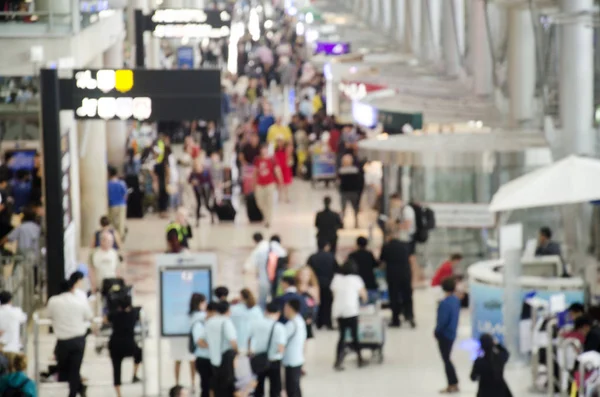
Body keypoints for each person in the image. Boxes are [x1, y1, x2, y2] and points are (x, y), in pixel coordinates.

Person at [47, 272, 93, 397]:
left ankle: (74, 392)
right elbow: (89, 316)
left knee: (65, 368)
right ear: (72, 288)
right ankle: (77, 390)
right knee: (75, 368)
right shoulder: (79, 301)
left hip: (62, 341)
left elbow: (49, 315)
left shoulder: (53, 301)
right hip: (78, 340)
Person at [331, 260, 367, 370]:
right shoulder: (356, 280)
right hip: (351, 310)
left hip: (339, 311)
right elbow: (364, 296)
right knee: (354, 335)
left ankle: (338, 360)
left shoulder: (336, 279)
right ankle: (360, 359)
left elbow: (334, 294)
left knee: (342, 336)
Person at [198, 301, 238, 397]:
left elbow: (199, 341)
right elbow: (232, 341)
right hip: (226, 358)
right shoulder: (226, 322)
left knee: (217, 387)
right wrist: (238, 352)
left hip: (214, 358)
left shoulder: (209, 322)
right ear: (228, 310)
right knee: (228, 387)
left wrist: (211, 346)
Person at [106, 295, 142, 397]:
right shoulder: (134, 313)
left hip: (115, 345)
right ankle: (134, 374)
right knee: (139, 353)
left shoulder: (114, 314)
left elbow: (105, 320)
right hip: (129, 345)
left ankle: (119, 395)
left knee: (116, 369)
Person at [250, 302, 286, 397]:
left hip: (258, 359)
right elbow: (280, 348)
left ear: (265, 311)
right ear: (278, 313)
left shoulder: (255, 324)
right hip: (274, 360)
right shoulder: (279, 327)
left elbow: (250, 340)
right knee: (275, 389)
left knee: (258, 388)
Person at [243, 233, 287, 308]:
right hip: (276, 278)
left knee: (262, 299)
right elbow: (285, 257)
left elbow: (252, 260)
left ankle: (262, 313)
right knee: (275, 297)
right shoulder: (277, 247)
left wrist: (245, 268)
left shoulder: (260, 248)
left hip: (264, 278)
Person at [379, 234, 414, 328]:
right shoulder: (406, 245)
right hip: (406, 273)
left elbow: (382, 261)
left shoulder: (386, 247)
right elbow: (410, 258)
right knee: (407, 295)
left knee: (394, 297)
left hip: (393, 275)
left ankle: (396, 320)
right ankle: (410, 316)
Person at [435, 277, 461, 394]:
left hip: (445, 335)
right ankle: (453, 382)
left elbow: (442, 321)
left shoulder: (444, 303)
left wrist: (437, 331)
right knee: (447, 358)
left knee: (446, 359)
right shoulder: (455, 301)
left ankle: (452, 383)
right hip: (452, 333)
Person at [307, 239, 336, 330]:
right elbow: (336, 269)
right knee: (328, 304)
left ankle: (318, 323)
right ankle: (327, 322)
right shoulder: (331, 257)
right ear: (326, 246)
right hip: (328, 284)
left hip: (316, 284)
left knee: (317, 303)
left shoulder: (312, 257)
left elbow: (308, 270)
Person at [253, 144, 282, 228]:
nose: (264, 151)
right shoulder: (257, 160)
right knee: (260, 202)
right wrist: (253, 184)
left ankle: (268, 221)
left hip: (270, 183)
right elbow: (255, 172)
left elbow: (277, 170)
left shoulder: (272, 159)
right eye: (262, 149)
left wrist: (280, 182)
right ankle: (266, 215)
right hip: (259, 184)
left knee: (269, 203)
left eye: (265, 149)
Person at [282, 299, 307, 397]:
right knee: (296, 387)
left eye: (285, 308)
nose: (284, 310)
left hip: (291, 360)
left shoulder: (291, 324)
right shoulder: (300, 320)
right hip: (298, 358)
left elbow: (281, 340)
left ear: (290, 309)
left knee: (291, 389)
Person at [190, 294, 211, 397]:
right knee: (206, 386)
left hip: (204, 357)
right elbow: (199, 341)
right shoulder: (200, 319)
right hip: (204, 357)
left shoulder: (194, 315)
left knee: (206, 385)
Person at [348, 236, 379, 302]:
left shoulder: (352, 255)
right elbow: (376, 265)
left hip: (356, 286)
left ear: (357, 244)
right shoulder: (369, 254)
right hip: (370, 284)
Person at [295, 266, 320, 340]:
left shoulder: (313, 287)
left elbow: (316, 303)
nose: (304, 277)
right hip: (297, 313)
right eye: (302, 274)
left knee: (306, 336)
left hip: (308, 315)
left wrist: (311, 316)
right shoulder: (295, 286)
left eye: (306, 275)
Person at [338, 154, 362, 229]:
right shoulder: (355, 170)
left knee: (343, 209)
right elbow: (359, 182)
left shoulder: (341, 171)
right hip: (353, 192)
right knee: (355, 208)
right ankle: (356, 223)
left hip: (344, 192)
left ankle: (342, 223)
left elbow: (338, 182)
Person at [188, 159, 215, 226]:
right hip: (197, 190)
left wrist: (212, 190)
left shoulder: (206, 172)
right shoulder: (193, 173)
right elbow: (189, 180)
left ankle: (212, 215)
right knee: (198, 205)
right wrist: (192, 182)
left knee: (206, 204)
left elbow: (210, 182)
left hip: (206, 191)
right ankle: (197, 221)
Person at [107, 166, 128, 241]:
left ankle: (115, 238)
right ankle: (120, 237)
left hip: (112, 205)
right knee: (121, 222)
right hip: (122, 205)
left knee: (113, 223)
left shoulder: (108, 184)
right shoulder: (121, 183)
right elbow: (125, 195)